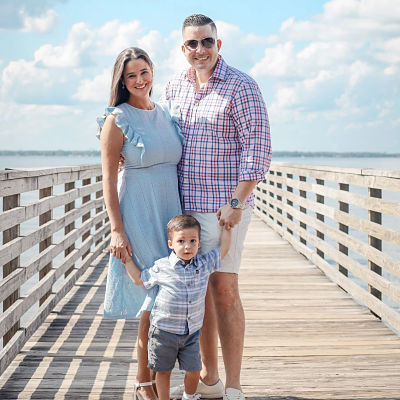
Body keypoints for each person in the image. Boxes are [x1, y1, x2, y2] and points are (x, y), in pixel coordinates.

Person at [165, 14, 272, 400]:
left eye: (207, 42)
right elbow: (161, 131)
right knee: (198, 294)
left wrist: (236, 202)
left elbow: (257, 151)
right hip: (184, 211)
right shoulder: (174, 86)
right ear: (183, 48)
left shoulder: (242, 86)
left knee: (224, 290)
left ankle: (234, 385)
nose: (200, 50)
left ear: (218, 44)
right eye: (192, 44)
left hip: (224, 208)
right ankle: (208, 379)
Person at [97, 47, 183, 400]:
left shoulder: (165, 112)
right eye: (130, 75)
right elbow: (107, 181)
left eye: (143, 72)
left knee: (165, 299)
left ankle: (149, 379)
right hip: (138, 211)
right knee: (153, 298)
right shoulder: (117, 119)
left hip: (170, 215)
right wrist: (117, 230)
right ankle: (144, 383)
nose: (139, 80)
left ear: (152, 70)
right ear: (121, 81)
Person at [124, 214, 232, 400]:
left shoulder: (203, 264)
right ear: (171, 244)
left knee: (194, 370)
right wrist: (126, 260)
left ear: (199, 243)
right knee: (163, 371)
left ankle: (189, 397)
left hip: (191, 332)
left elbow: (223, 250)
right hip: (164, 332)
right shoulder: (162, 267)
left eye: (192, 241)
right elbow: (139, 279)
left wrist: (228, 229)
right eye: (181, 241)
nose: (187, 246)